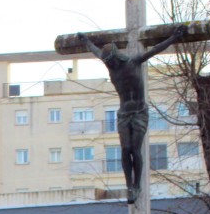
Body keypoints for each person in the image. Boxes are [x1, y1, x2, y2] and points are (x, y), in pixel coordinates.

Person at [78, 25, 188, 204]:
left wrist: (173, 38)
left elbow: (154, 50)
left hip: (139, 112)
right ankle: (129, 184)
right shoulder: (110, 66)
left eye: (111, 61)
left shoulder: (133, 62)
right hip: (123, 113)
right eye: (107, 62)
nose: (109, 64)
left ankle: (137, 184)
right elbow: (95, 51)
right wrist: (85, 41)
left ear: (116, 56)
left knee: (135, 149)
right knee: (124, 149)